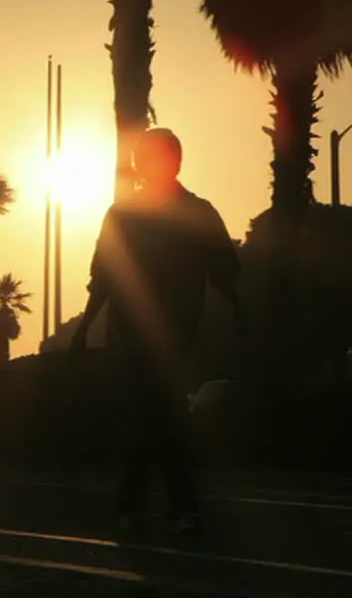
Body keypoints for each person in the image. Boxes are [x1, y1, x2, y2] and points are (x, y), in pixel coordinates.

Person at [69, 127, 245, 536]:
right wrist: (85, 326)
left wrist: (237, 310)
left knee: (157, 411)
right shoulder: (124, 215)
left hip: (177, 328)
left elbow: (224, 269)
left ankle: (140, 506)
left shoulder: (192, 211)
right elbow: (105, 277)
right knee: (162, 412)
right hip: (139, 330)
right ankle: (170, 507)